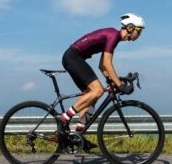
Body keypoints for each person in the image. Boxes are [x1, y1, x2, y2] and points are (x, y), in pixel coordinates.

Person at [59, 13, 145, 150]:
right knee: (98, 90)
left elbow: (102, 66)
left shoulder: (113, 38)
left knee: (90, 96)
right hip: (73, 57)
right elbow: (107, 62)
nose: (139, 34)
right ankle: (63, 118)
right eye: (139, 31)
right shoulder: (114, 35)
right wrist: (120, 85)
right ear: (130, 28)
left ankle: (77, 137)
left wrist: (113, 80)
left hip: (73, 57)